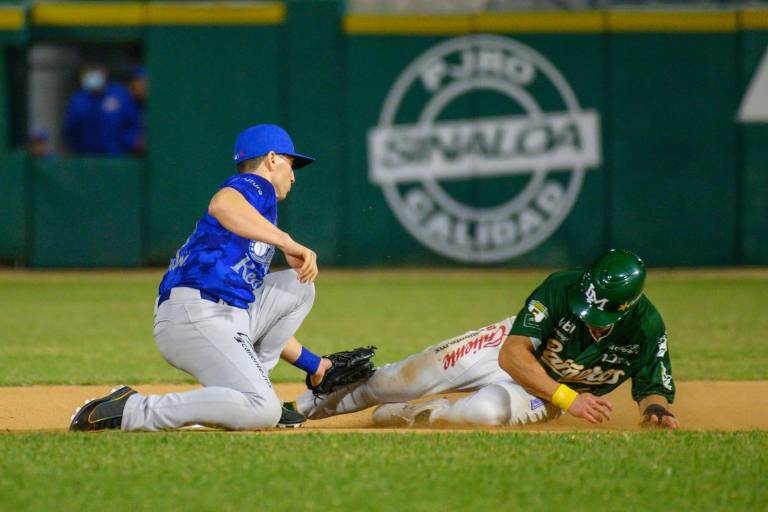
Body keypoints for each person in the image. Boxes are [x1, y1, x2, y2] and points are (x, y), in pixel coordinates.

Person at [70, 124, 335, 431]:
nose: (294, 176)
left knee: (299, 287)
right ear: (272, 159)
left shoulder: (257, 213)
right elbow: (222, 204)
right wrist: (286, 242)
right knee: (261, 409)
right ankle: (131, 410)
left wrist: (314, 364)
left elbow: (268, 329)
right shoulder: (256, 185)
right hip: (199, 313)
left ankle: (256, 390)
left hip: (217, 313)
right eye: (291, 163)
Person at [296, 249, 679, 429]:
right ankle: (297, 411)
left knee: (483, 414)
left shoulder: (647, 329)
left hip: (547, 392)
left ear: (629, 307)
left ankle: (418, 414)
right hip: (512, 347)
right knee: (396, 381)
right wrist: (570, 399)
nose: (589, 320)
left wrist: (657, 413)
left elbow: (653, 387)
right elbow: (512, 356)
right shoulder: (563, 287)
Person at [62, 63, 141, 155]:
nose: (93, 77)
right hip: (86, 158)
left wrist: (128, 144)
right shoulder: (77, 100)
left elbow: (132, 124)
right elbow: (70, 130)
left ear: (104, 73)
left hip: (117, 157)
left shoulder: (119, 94)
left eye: (95, 71)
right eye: (89, 72)